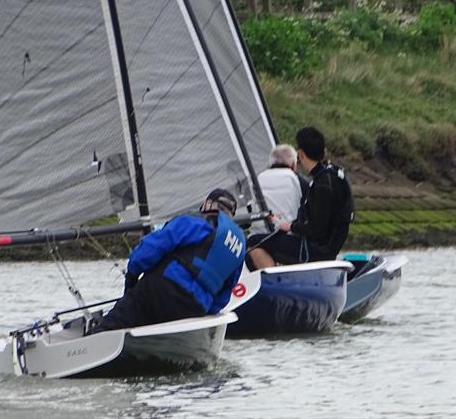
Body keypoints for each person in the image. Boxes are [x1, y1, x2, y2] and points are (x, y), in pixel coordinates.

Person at [94, 188, 246, 332]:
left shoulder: (194, 223)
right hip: (195, 308)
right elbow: (223, 296)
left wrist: (132, 275)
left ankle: (96, 341)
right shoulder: (238, 249)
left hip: (160, 290)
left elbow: (149, 250)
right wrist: (204, 308)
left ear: (207, 205)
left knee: (110, 328)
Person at [247, 127, 355, 269]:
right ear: (323, 152)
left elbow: (317, 228)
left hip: (318, 251)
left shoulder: (321, 184)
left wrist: (290, 226)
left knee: (253, 243)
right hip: (326, 246)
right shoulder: (332, 173)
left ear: (301, 154)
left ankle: (277, 284)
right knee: (277, 239)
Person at [251, 144, 309, 234]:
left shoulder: (258, 179)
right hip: (287, 236)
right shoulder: (297, 180)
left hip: (259, 235)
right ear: (293, 164)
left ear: (271, 163)